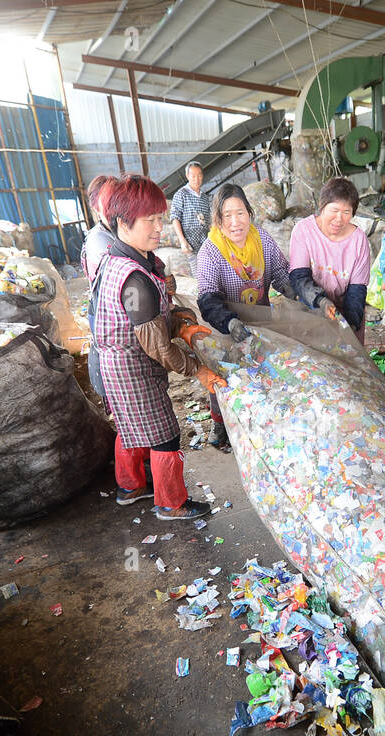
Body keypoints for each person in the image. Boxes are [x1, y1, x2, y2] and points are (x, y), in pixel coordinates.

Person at [93, 175, 226, 520]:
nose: (158, 227)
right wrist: (200, 369)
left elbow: (156, 311)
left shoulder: (124, 257)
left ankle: (131, 486)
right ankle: (171, 503)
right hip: (131, 367)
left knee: (129, 424)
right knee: (165, 433)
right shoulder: (135, 278)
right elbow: (159, 350)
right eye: (149, 220)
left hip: (114, 361)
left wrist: (182, 322)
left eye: (160, 218)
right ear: (123, 222)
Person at [189, 183, 291, 449]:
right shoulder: (211, 252)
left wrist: (296, 291)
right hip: (226, 329)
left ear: (249, 213)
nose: (235, 222)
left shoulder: (263, 241)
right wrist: (229, 321)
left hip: (262, 323)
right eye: (227, 215)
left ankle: (260, 424)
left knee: (262, 375)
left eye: (240, 213)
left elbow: (281, 274)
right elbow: (208, 298)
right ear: (218, 220)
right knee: (225, 378)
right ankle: (220, 423)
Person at [288, 177, 372, 343]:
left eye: (346, 212)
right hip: (311, 309)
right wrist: (321, 301)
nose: (339, 219)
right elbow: (299, 277)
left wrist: (349, 326)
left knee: (348, 363)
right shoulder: (304, 231)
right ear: (322, 207)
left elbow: (357, 289)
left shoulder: (358, 240)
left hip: (346, 313)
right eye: (334, 210)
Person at [82, 174, 118, 408]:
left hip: (116, 319)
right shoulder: (98, 240)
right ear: (96, 207)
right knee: (123, 404)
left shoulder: (114, 231)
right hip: (109, 321)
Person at [81, 174, 118, 281]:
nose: (114, 210)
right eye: (108, 205)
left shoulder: (118, 231)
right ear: (96, 208)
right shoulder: (98, 238)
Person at [169, 161, 211, 254]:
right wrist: (182, 241)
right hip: (190, 244)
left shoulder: (204, 197)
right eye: (193, 176)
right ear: (187, 176)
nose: (197, 179)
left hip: (205, 243)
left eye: (199, 175)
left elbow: (209, 222)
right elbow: (175, 218)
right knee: (195, 268)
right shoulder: (181, 194)